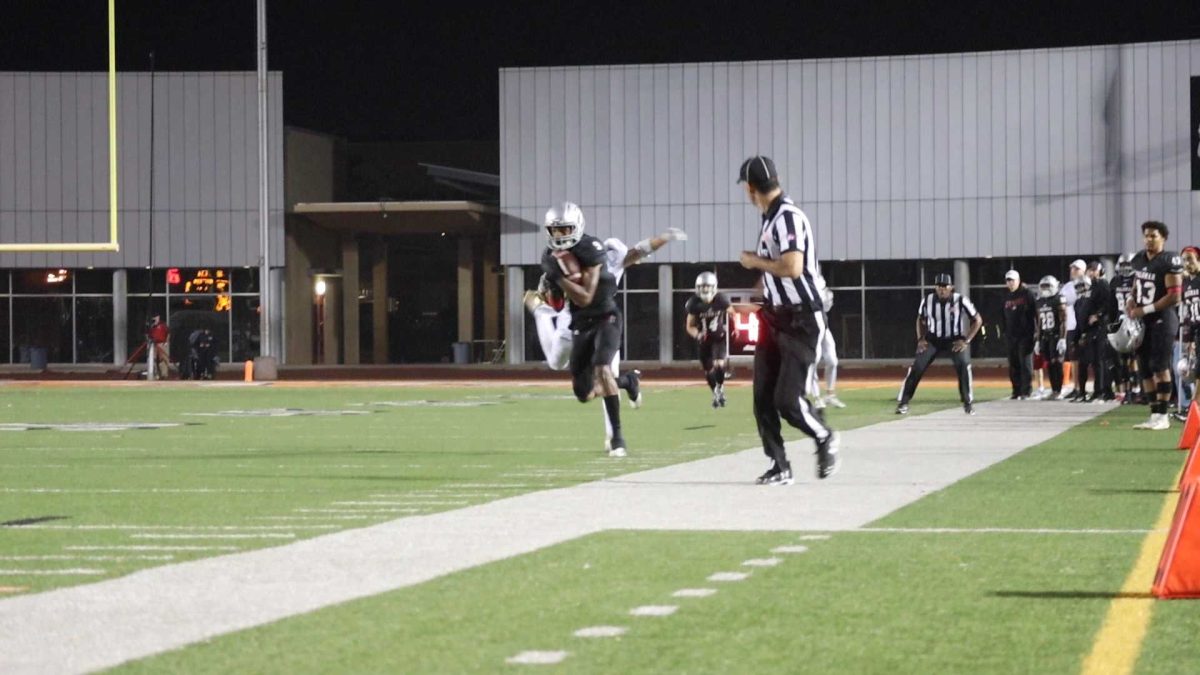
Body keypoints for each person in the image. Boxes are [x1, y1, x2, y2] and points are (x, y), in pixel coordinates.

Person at [527, 207, 687, 456]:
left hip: (605, 320)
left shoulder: (609, 258)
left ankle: (615, 438)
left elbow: (638, 250)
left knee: (605, 372)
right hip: (573, 324)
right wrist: (548, 292)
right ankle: (628, 381)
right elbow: (555, 291)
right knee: (560, 366)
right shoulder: (569, 257)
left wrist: (664, 238)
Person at [736, 155, 838, 484]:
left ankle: (824, 436)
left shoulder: (787, 217)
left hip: (802, 320)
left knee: (787, 401)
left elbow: (792, 267)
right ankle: (780, 466)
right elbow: (776, 272)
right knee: (762, 397)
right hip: (775, 317)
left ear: (751, 189)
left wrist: (754, 262)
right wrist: (756, 299)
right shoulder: (771, 218)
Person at [896, 273, 983, 415]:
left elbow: (977, 320)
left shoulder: (960, 300)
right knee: (917, 366)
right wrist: (920, 339)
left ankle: (968, 402)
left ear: (951, 287)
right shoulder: (928, 300)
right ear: (935, 287)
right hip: (933, 339)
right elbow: (919, 319)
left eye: (945, 286)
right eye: (939, 286)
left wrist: (966, 340)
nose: (942, 289)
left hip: (954, 339)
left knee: (963, 364)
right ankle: (903, 402)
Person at [1128, 220, 1184, 431]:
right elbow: (1138, 283)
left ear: (1163, 238)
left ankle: (1163, 415)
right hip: (1143, 320)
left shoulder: (1169, 260)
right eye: (1146, 236)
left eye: (1154, 236)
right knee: (1144, 369)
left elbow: (1174, 296)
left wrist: (1145, 309)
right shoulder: (1139, 259)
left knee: (1159, 366)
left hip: (1163, 318)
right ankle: (1154, 414)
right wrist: (1131, 300)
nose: (1149, 240)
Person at [685, 272, 732, 409]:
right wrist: (698, 335)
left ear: (714, 287)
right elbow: (690, 326)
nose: (705, 290)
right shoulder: (693, 303)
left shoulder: (721, 300)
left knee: (719, 364)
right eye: (702, 287)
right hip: (704, 340)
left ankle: (721, 387)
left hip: (718, 338)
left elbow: (733, 313)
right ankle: (716, 393)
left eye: (708, 286)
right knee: (708, 370)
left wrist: (734, 327)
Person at [809, 274, 845, 409]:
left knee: (832, 361)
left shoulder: (819, 282)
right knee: (814, 360)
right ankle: (816, 397)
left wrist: (825, 298)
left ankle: (830, 394)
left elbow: (826, 307)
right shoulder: (804, 286)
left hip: (824, 326)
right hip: (812, 328)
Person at [1109, 253, 1140, 404]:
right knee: (1122, 359)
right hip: (1120, 321)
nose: (1126, 268)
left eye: (1128, 264)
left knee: (1135, 357)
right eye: (1123, 265)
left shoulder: (1138, 279)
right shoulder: (1115, 281)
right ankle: (1127, 390)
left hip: (1135, 320)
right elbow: (1111, 304)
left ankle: (1136, 389)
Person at [1002, 270, 1037, 400]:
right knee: (1013, 364)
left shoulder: (1027, 294)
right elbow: (1003, 316)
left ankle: (1026, 391)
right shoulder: (1006, 297)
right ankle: (1016, 390)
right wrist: (1004, 332)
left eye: (1012, 280)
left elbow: (1035, 312)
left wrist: (1036, 332)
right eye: (1008, 280)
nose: (1010, 283)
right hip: (1011, 336)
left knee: (1025, 363)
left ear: (1018, 280)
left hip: (1025, 334)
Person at [1175, 246, 1200, 420]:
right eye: (1184, 260)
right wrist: (1189, 338)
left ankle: (1193, 406)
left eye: (1190, 259)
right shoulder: (1187, 282)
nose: (1187, 263)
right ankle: (1193, 408)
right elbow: (1188, 313)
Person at [1033, 276, 1069, 400]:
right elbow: (1038, 322)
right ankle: (1054, 389)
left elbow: (1064, 320)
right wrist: (1037, 340)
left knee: (1057, 363)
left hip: (1055, 335)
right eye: (1043, 286)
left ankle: (1059, 389)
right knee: (1049, 364)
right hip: (1045, 336)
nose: (1045, 289)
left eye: (1047, 286)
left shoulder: (1058, 299)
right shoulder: (1039, 301)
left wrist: (1062, 338)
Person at [1083, 261, 1114, 402]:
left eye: (1094, 270)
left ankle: (1103, 391)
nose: (1091, 272)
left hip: (1100, 326)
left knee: (1101, 360)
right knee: (1095, 361)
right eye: (1090, 270)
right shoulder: (1093, 286)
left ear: (1100, 270)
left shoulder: (1102, 284)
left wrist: (1098, 315)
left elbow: (1108, 303)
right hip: (1092, 328)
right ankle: (1097, 391)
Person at [147, 315, 170, 380]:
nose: (154, 319)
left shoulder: (163, 325)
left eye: (156, 317)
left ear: (158, 317)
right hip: (154, 344)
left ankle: (164, 374)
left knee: (163, 359)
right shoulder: (152, 326)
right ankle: (157, 374)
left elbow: (168, 333)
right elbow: (149, 335)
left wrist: (166, 342)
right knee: (154, 360)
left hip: (161, 344)